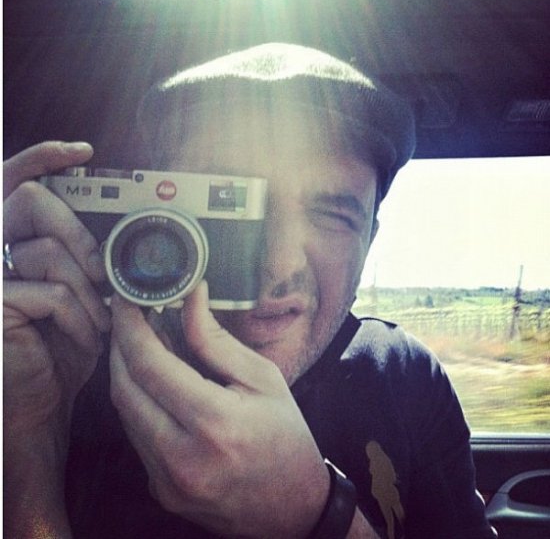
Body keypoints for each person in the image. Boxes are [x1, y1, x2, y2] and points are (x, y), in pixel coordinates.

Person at [3, 43, 497, 539]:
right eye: (229, 205)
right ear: (158, 208)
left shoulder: (405, 379)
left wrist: (315, 515)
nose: (277, 267)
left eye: (332, 215)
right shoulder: (61, 363)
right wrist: (26, 434)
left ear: (369, 240)